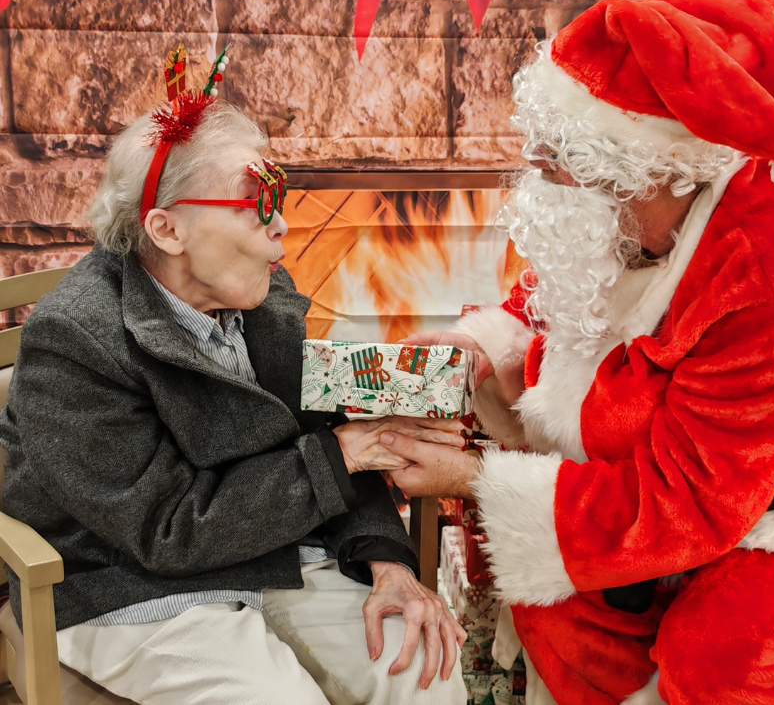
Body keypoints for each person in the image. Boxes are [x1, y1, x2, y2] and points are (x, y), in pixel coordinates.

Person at [379, 0, 774, 705]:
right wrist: (474, 348)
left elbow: (693, 501)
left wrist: (473, 480)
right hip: (674, 459)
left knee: (716, 659)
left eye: (567, 155)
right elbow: (543, 303)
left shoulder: (773, 276)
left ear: (658, 168)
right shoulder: (614, 213)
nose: (539, 168)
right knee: (550, 603)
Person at [0, 48, 468, 705]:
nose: (281, 225)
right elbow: (165, 528)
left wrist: (386, 562)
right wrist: (343, 452)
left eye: (279, 192)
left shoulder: (262, 298)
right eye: (256, 201)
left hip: (267, 546)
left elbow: (327, 441)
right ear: (167, 229)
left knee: (426, 675)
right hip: (126, 584)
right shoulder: (74, 338)